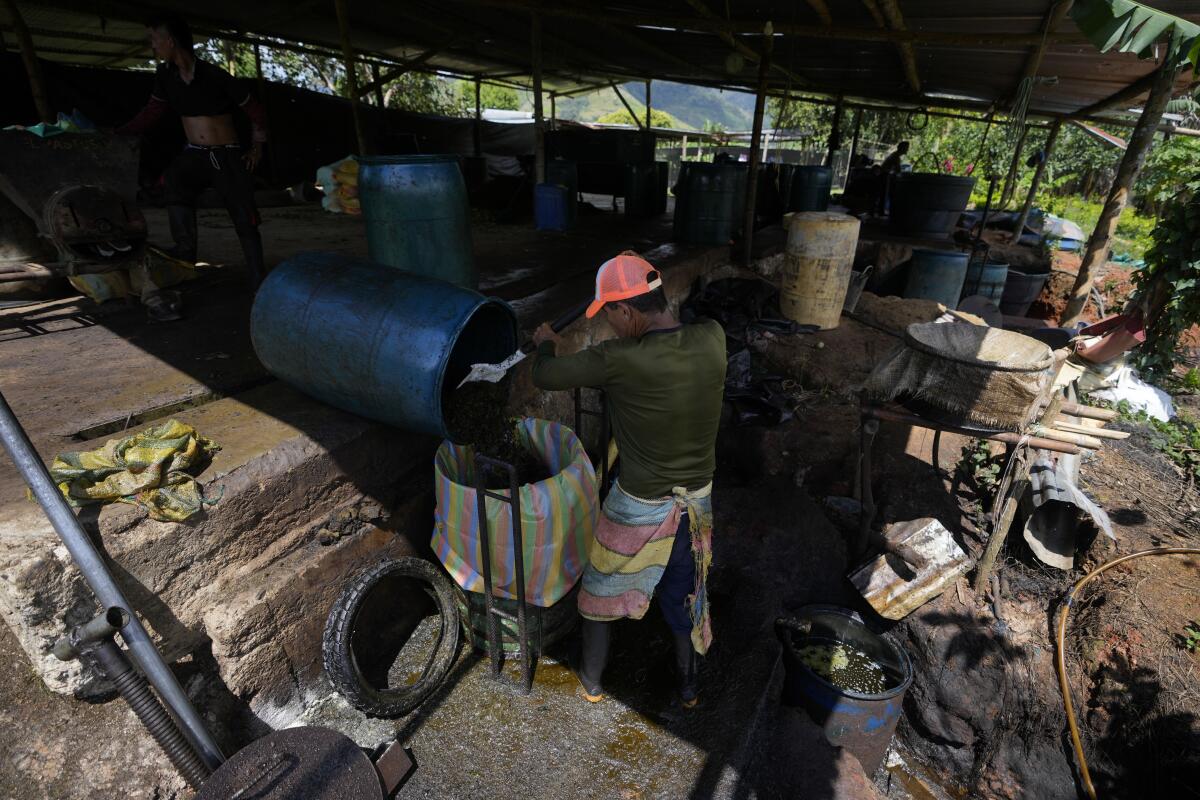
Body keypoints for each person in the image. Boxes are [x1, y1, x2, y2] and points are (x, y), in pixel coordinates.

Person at [530, 252, 726, 707]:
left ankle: (594, 683)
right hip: (696, 505)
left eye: (611, 317)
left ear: (626, 310)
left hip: (639, 504)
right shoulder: (713, 337)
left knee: (598, 591)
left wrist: (546, 342)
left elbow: (544, 375)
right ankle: (689, 688)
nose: (612, 328)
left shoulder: (619, 359)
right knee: (683, 594)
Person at [118, 14, 268, 290]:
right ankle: (185, 257)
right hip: (196, 154)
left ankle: (258, 276)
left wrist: (257, 145)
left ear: (171, 41)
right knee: (175, 180)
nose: (153, 46)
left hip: (226, 154)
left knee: (242, 213)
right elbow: (153, 111)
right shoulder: (165, 76)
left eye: (155, 40)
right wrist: (123, 132)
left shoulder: (214, 75)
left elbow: (254, 109)